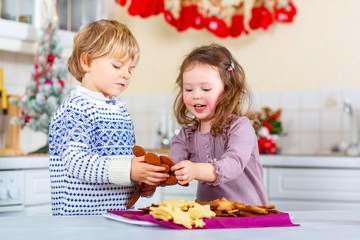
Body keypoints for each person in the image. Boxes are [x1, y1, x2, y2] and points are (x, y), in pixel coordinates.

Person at [48, 19, 168, 216]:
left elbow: (124, 161)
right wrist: (129, 170)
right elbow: (77, 161)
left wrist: (140, 181)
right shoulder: (76, 108)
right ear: (86, 61)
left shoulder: (120, 111)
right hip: (81, 222)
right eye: (117, 66)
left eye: (130, 69)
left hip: (119, 216)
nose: (126, 75)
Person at [168, 43, 268, 205]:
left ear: (227, 90)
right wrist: (156, 179)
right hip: (210, 215)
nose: (196, 96)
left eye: (206, 89)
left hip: (247, 214)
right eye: (188, 89)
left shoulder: (240, 127)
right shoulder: (187, 135)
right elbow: (172, 166)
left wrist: (195, 170)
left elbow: (233, 165)